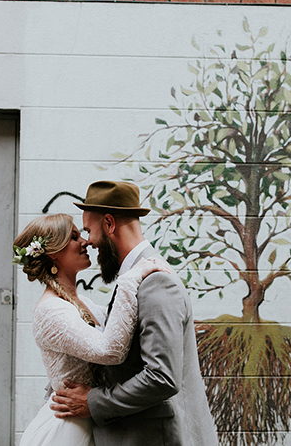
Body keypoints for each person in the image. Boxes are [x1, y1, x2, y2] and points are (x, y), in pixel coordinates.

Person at [50, 180, 218, 446]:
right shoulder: (136, 277)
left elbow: (162, 377)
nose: (90, 242)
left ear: (109, 223)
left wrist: (93, 401)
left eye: (89, 230)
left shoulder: (155, 282)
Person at [14, 213, 169, 446]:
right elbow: (110, 351)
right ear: (54, 253)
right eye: (75, 237)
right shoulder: (51, 310)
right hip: (70, 430)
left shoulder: (83, 303)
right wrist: (129, 280)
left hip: (94, 422)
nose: (86, 242)